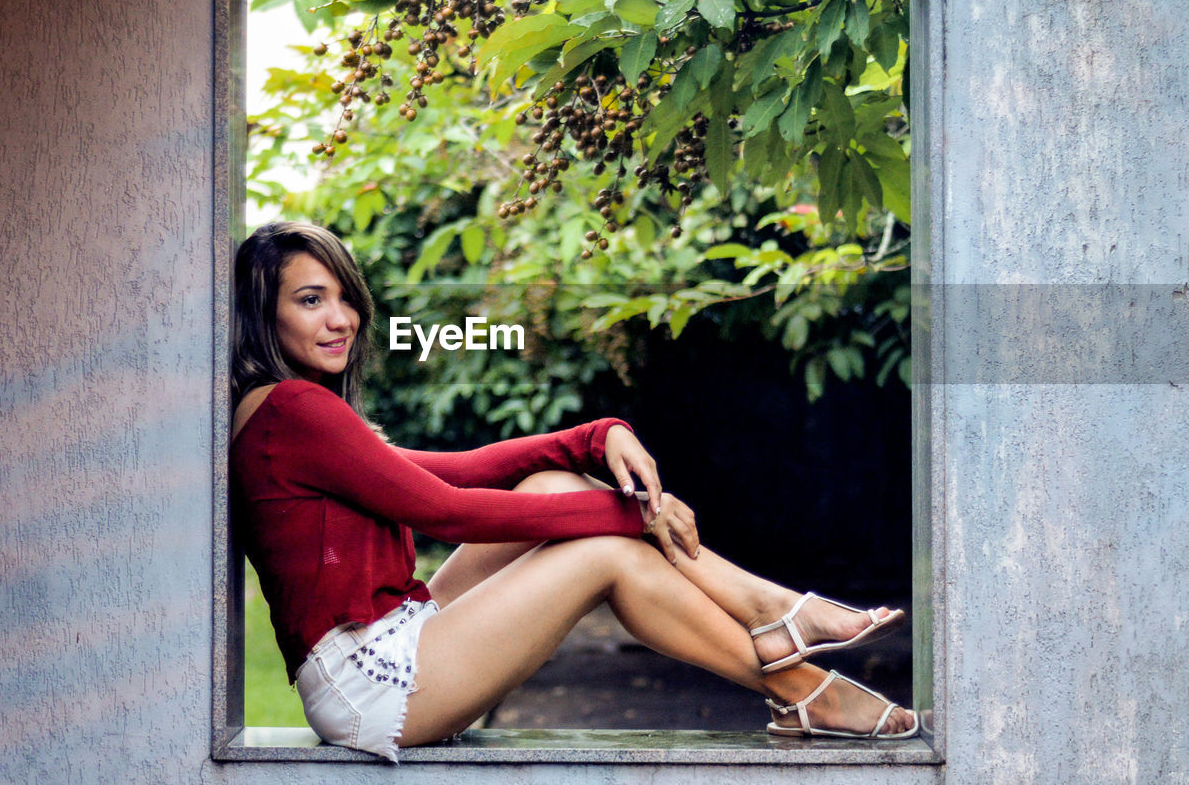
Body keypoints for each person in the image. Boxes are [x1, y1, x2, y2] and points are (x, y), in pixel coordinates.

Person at [230, 220, 918, 762]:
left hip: (390, 644)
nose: (341, 318)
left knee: (555, 484)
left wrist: (594, 436)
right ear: (264, 313)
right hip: (368, 685)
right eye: (311, 300)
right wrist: (630, 517)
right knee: (606, 555)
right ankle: (797, 679)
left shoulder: (289, 415)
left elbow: (456, 470)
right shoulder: (290, 409)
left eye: (346, 296)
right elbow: (445, 508)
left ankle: (775, 616)